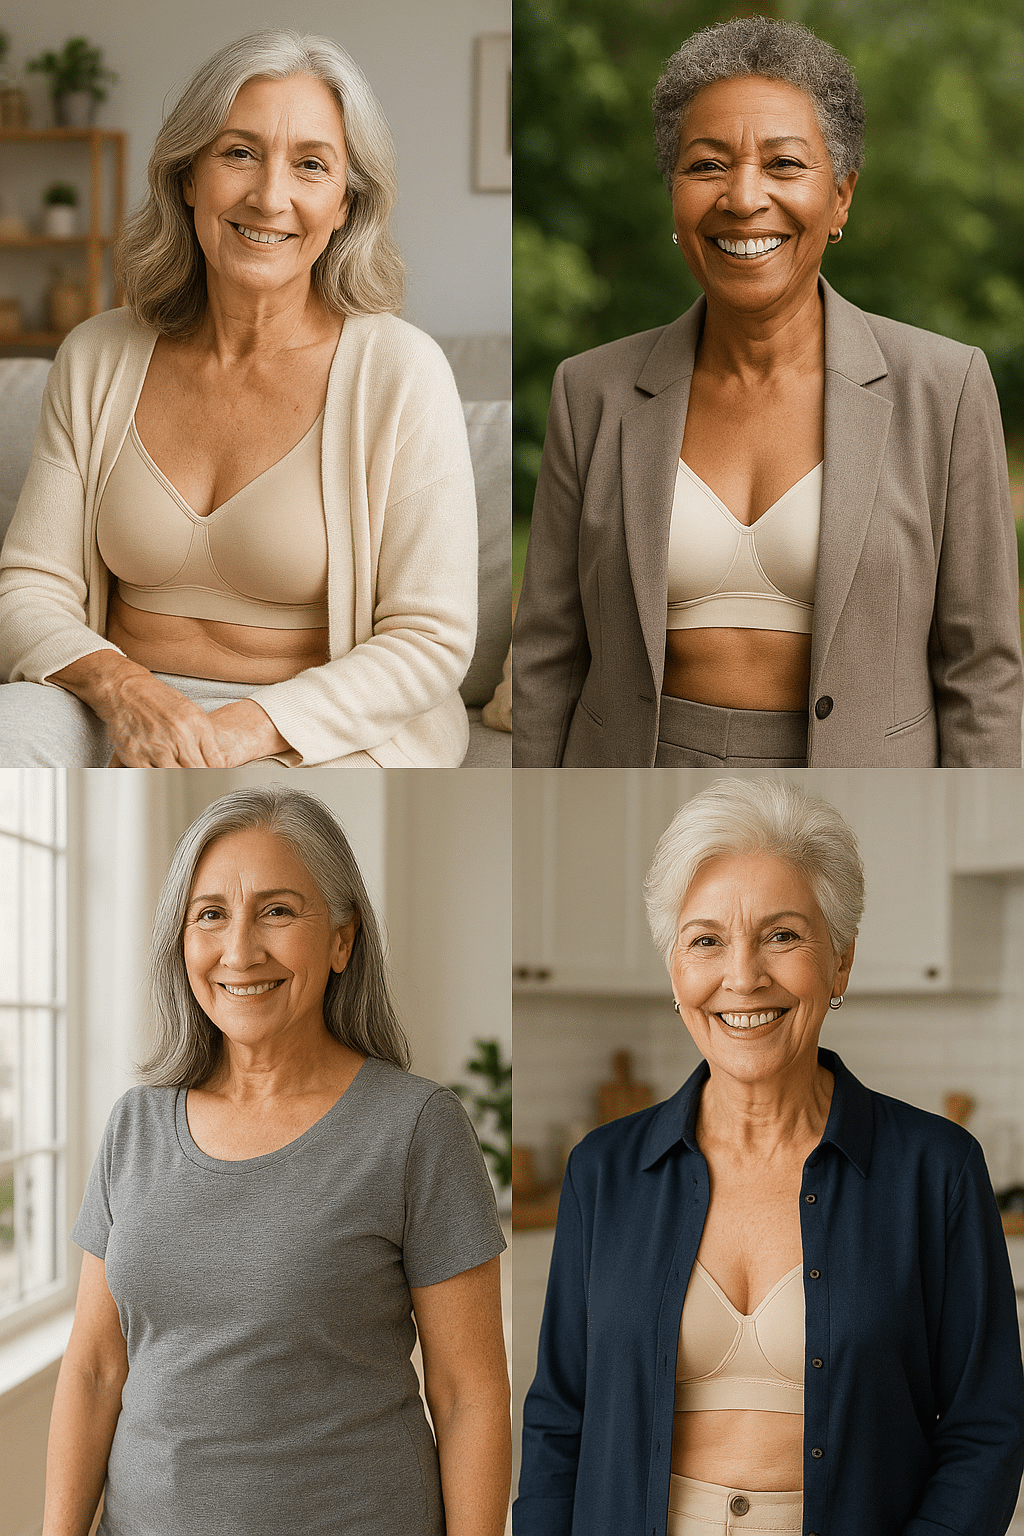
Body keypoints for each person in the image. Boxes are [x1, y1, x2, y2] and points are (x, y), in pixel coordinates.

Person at [515, 777, 1024, 1535]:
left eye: (782, 936)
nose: (743, 976)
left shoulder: (937, 1170)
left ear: (840, 962)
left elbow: (986, 1428)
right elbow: (559, 1421)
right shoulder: (603, 1171)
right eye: (706, 941)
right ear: (675, 972)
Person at [512, 15, 1023, 768]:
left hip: (869, 796)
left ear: (841, 197)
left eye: (784, 164)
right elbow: (549, 657)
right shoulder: (590, 393)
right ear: (673, 194)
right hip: (625, 786)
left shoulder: (944, 391)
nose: (743, 197)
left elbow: (982, 673)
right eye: (707, 165)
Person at [0, 30, 477, 767]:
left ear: (345, 204)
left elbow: (430, 638)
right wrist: (127, 692)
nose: (269, 197)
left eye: (311, 165)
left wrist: (235, 735)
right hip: (116, 707)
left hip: (323, 731)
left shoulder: (403, 373)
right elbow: (30, 587)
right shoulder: (96, 354)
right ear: (188, 176)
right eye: (238, 153)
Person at [45, 786, 510, 1536]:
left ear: (342, 941)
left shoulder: (416, 1128)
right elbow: (96, 1369)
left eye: (278, 911)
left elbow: (469, 1396)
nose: (239, 951)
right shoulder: (135, 1124)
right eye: (210, 915)